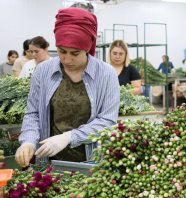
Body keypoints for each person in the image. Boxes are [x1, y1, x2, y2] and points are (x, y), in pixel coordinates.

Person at [15, 7, 120, 167]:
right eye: (62, 51)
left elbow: (107, 120)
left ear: (87, 48)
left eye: (75, 53)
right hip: (49, 162)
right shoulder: (43, 71)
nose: (67, 59)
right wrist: (28, 141)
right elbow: (33, 113)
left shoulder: (106, 74)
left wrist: (69, 137)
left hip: (91, 163)